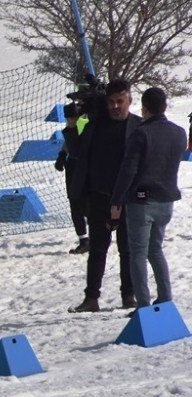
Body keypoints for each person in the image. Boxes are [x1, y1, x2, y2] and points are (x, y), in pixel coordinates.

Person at [63, 79, 141, 313]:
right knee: (98, 249)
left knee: (128, 249)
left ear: (129, 101)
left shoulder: (138, 126)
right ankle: (91, 299)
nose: (116, 106)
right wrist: (71, 126)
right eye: (111, 102)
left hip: (129, 198)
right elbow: (77, 152)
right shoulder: (95, 125)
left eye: (120, 101)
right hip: (99, 197)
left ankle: (129, 296)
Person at [110, 87, 187, 311]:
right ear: (164, 106)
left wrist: (117, 199)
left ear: (144, 108)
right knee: (156, 250)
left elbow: (128, 170)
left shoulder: (141, 133)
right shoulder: (179, 132)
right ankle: (165, 298)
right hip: (167, 202)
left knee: (138, 254)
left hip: (142, 202)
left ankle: (143, 305)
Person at [54, 112, 91, 254]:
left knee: (89, 205)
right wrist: (62, 155)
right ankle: (83, 240)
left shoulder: (88, 120)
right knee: (75, 203)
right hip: (73, 166)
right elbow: (70, 141)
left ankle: (96, 235)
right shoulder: (75, 123)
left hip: (88, 166)